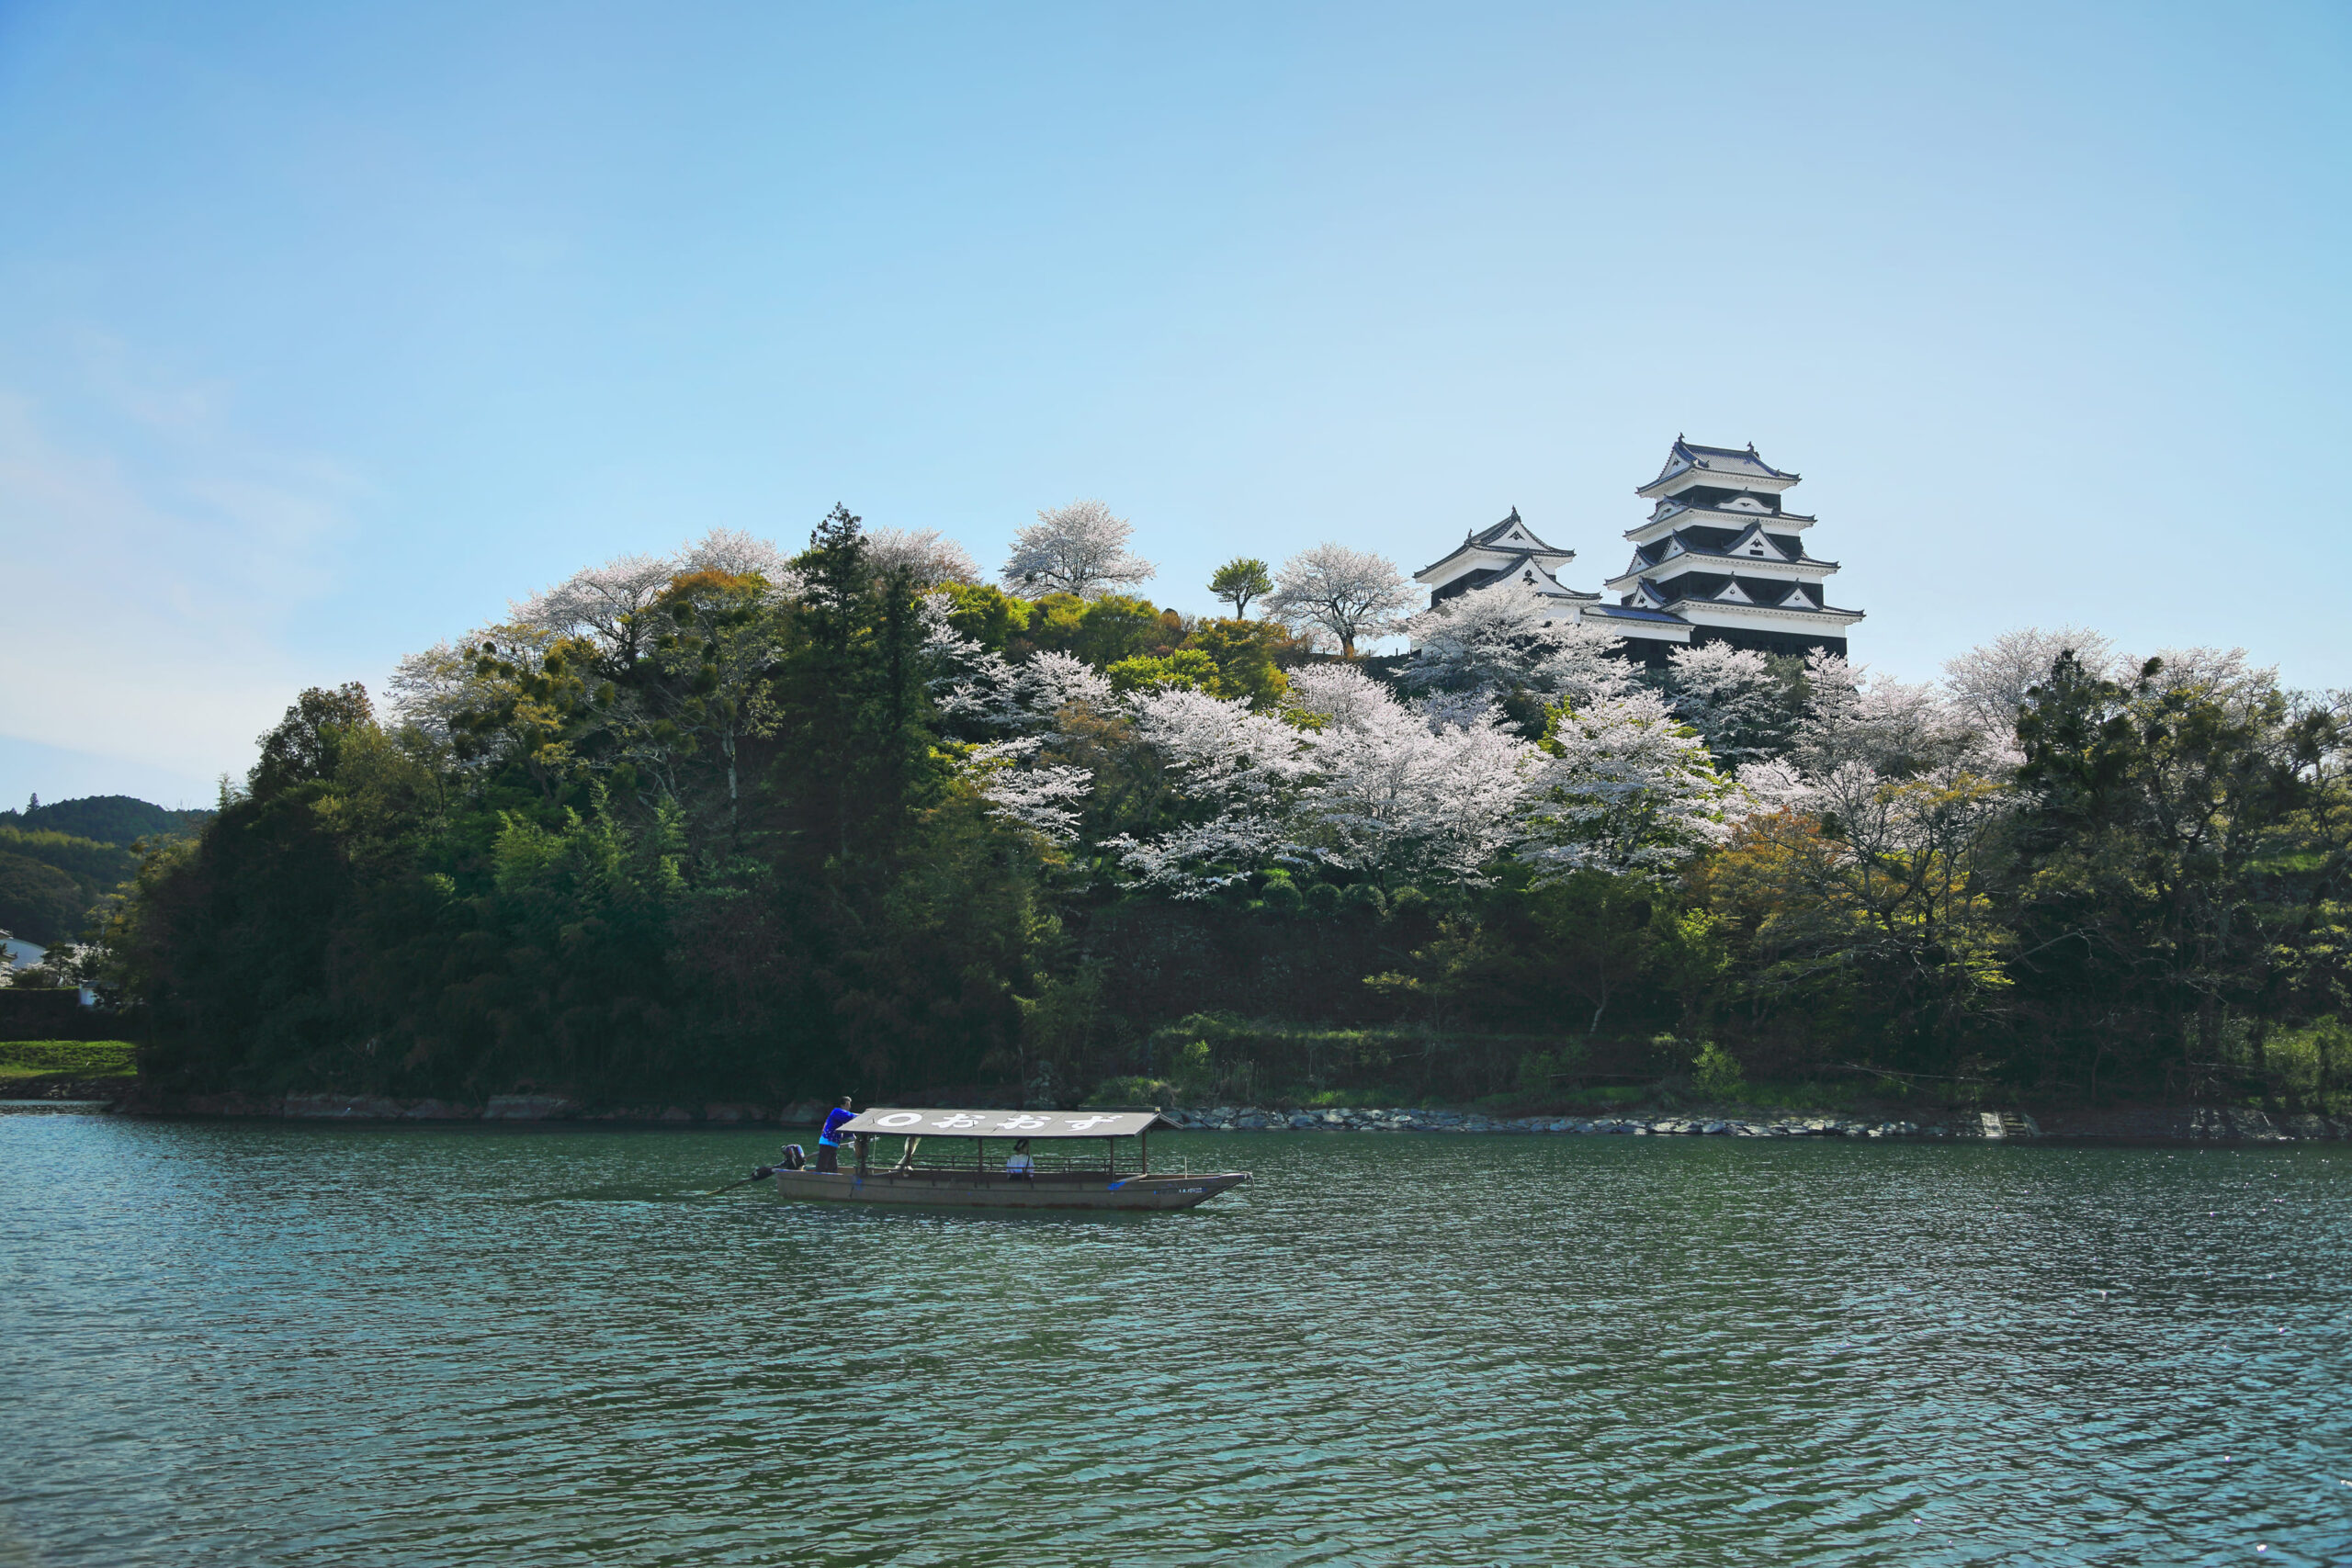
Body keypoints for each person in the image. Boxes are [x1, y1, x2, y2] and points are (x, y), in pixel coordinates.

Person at [815, 1097, 854, 1173]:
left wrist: (851, 1135)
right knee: (822, 1165)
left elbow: (843, 1131)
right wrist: (865, 1115)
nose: (849, 1107)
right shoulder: (837, 1111)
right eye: (848, 1104)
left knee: (832, 1166)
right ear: (845, 1104)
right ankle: (818, 1179)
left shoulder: (841, 1117)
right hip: (827, 1143)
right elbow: (851, 1117)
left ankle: (833, 1177)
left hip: (833, 1145)